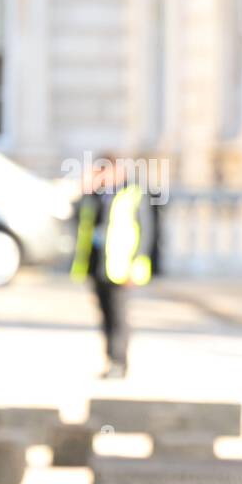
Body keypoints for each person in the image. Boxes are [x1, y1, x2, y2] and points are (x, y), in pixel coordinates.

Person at [69, 153, 153, 379]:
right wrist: (85, 189)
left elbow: (146, 231)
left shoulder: (133, 193)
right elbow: (76, 217)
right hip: (97, 264)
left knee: (119, 317)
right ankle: (109, 360)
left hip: (121, 266)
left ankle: (119, 362)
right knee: (105, 314)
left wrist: (137, 265)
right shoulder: (95, 195)